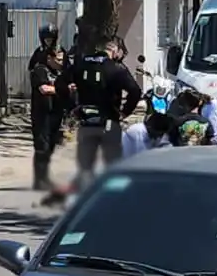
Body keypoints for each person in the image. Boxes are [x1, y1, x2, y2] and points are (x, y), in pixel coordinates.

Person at [68, 37, 142, 189]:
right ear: (114, 51)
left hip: (86, 121)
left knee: (85, 166)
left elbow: (62, 84)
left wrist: (72, 107)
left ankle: (85, 198)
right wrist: (124, 112)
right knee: (113, 164)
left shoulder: (82, 63)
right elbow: (135, 91)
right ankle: (112, 199)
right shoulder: (116, 68)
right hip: (109, 122)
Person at [29, 47, 66, 190]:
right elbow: (44, 89)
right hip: (42, 114)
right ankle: (39, 180)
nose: (61, 63)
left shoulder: (59, 73)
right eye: (58, 60)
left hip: (55, 113)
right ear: (49, 58)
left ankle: (45, 177)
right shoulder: (40, 70)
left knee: (50, 146)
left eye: (63, 60)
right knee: (42, 146)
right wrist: (62, 89)